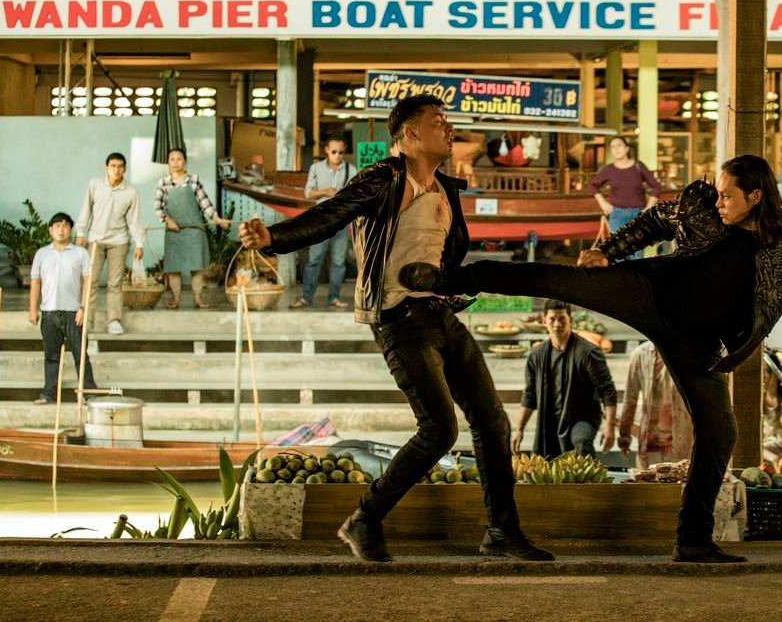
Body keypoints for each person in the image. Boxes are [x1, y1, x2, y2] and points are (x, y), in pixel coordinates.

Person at [399, 154, 782, 563]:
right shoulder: (701, 204)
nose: (719, 201)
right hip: (651, 293)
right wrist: (607, 250)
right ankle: (447, 280)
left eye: (728, 196)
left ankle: (694, 542)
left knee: (721, 433)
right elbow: (654, 222)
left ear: (756, 196)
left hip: (699, 345)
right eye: (718, 193)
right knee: (557, 281)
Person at [237, 94, 552, 563]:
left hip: (439, 313)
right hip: (399, 319)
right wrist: (274, 239)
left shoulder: (445, 187)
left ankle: (502, 532)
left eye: (448, 121)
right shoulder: (385, 178)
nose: (448, 129)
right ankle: (364, 520)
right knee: (439, 429)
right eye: (438, 122)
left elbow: (444, 257)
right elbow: (332, 214)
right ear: (409, 134)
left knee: (492, 420)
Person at [515, 300, 617, 459]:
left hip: (583, 417)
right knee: (546, 463)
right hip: (549, 418)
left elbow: (607, 390)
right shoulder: (537, 355)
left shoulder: (588, 352)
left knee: (581, 441)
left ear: (571, 320)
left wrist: (609, 427)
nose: (557, 324)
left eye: (562, 318)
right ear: (544, 321)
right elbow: (529, 394)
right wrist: (519, 429)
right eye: (552, 319)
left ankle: (589, 483)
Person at [29, 212, 98, 405]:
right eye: (57, 226)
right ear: (50, 230)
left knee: (80, 354)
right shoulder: (42, 254)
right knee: (51, 356)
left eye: (65, 226)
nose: (61, 229)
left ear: (71, 230)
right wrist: (32, 310)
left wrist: (83, 308)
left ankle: (89, 392)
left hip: (73, 312)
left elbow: (87, 283)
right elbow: (35, 283)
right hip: (49, 312)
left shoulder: (80, 253)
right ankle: (48, 394)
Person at [74, 152, 145, 335]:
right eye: (113, 166)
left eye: (120, 166)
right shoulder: (95, 184)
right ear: (106, 168)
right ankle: (87, 320)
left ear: (125, 169)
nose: (116, 169)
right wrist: (80, 232)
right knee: (91, 281)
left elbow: (134, 220)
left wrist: (139, 243)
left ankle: (114, 320)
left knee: (115, 283)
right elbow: (86, 209)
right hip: (95, 239)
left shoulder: (131, 191)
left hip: (119, 241)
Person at [154, 148, 230, 309]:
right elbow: (158, 207)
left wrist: (217, 219)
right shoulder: (163, 182)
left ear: (185, 161)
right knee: (174, 267)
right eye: (172, 159)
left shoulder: (193, 180)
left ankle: (198, 298)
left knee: (197, 266)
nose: (175, 162)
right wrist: (168, 220)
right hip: (173, 230)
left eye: (179, 159)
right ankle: (175, 298)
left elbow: (205, 203)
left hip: (194, 230)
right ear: (168, 162)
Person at [291, 136, 356, 310]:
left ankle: (334, 297)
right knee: (314, 260)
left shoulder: (351, 170)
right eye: (334, 151)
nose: (337, 155)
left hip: (341, 222)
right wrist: (325, 191)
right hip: (320, 221)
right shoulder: (316, 168)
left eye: (341, 152)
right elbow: (308, 193)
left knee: (338, 262)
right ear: (326, 150)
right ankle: (306, 297)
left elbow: (356, 196)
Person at [618, 340, 693, 469]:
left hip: (682, 437)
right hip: (651, 440)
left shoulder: (687, 353)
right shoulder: (640, 354)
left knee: (680, 481)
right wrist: (624, 434)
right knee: (650, 481)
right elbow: (630, 398)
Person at [590, 135, 663, 260]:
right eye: (613, 147)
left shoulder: (638, 166)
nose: (616, 149)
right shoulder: (609, 169)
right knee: (618, 254)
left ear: (627, 148)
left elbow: (656, 186)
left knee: (637, 255)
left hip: (638, 216)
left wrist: (648, 208)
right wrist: (603, 203)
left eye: (619, 145)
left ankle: (636, 279)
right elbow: (593, 185)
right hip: (617, 215)